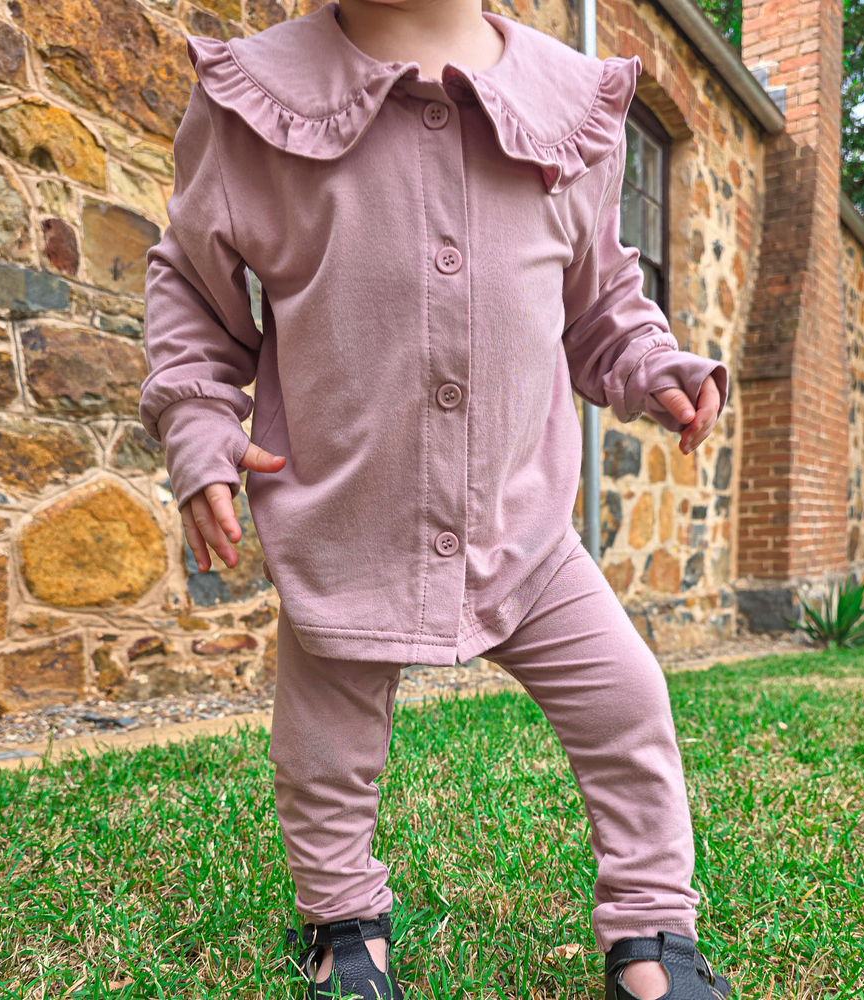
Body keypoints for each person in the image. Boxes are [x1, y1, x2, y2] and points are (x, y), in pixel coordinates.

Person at [138, 1, 733, 997]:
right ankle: (343, 922)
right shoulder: (255, 102)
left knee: (629, 700)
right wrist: (198, 423)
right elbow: (195, 293)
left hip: (523, 528)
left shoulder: (564, 105)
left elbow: (599, 303)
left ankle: (652, 929)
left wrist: (650, 363)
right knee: (324, 750)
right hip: (344, 521)